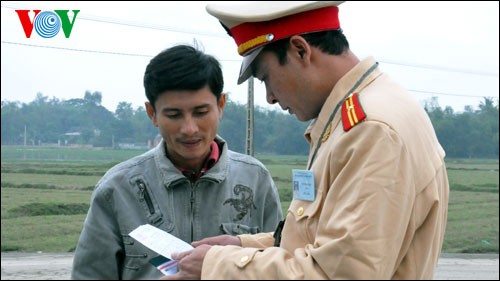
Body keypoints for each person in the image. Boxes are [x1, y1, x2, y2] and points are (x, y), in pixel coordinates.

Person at [163, 1, 450, 280]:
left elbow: (338, 273)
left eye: (266, 78)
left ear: (300, 50)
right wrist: (244, 247)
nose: (270, 97)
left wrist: (216, 266)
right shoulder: (360, 114)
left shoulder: (371, 131)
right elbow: (324, 242)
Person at [71, 43, 283, 280]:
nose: (189, 128)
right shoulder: (117, 188)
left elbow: (279, 263)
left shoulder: (255, 179)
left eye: (201, 112)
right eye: (174, 115)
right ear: (152, 113)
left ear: (221, 105)